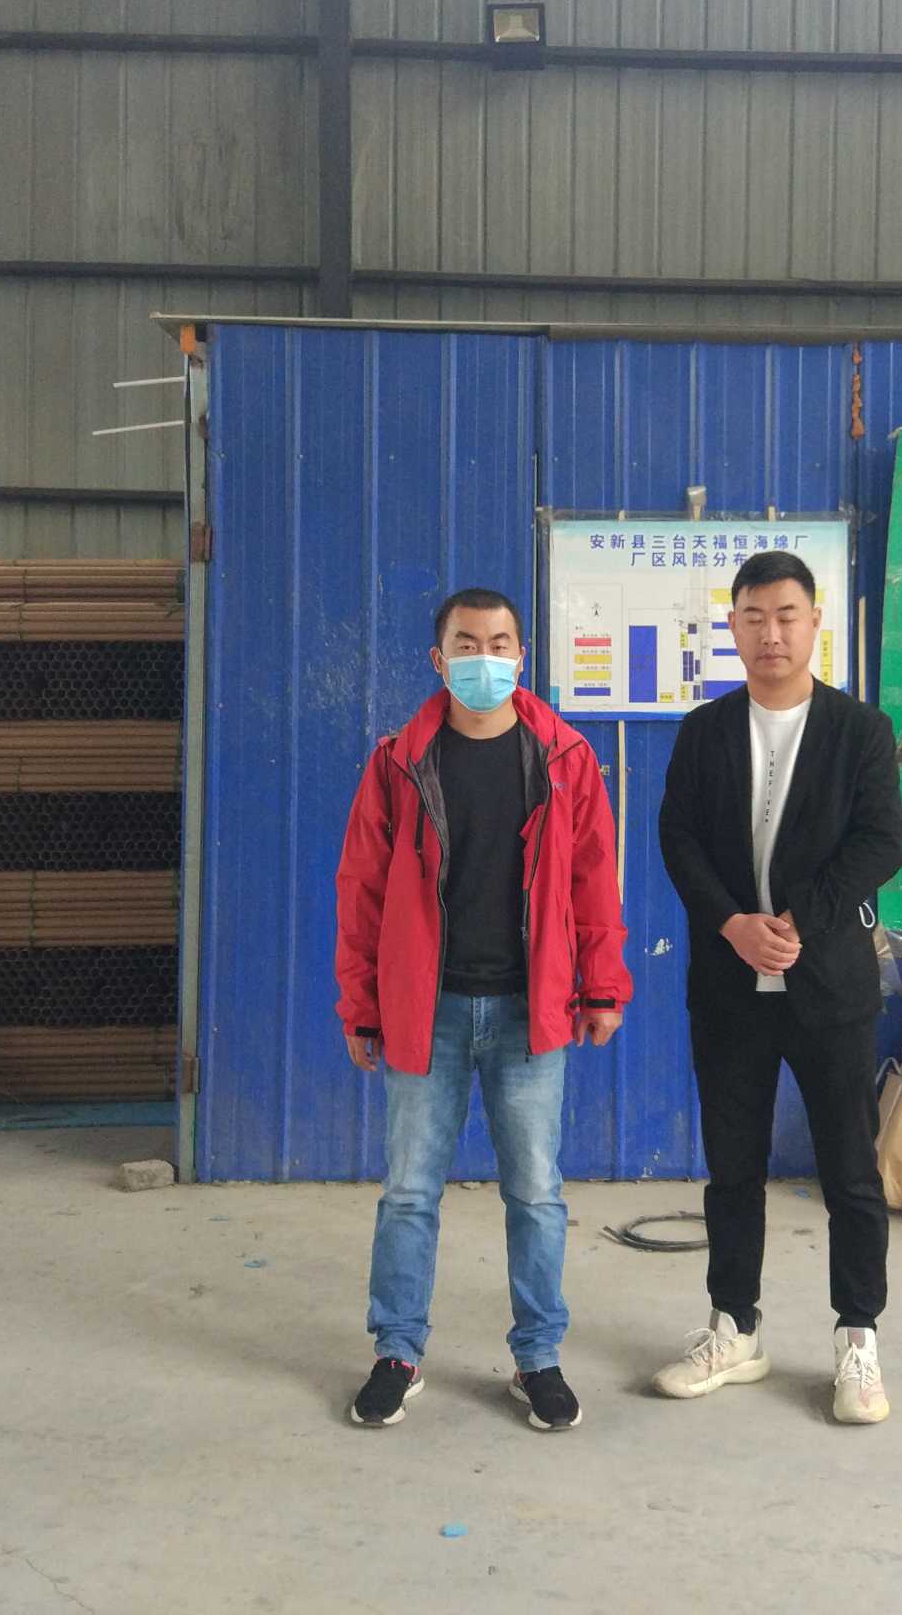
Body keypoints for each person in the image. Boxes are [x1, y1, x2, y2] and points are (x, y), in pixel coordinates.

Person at [334, 587, 632, 1432]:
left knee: (535, 1192)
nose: (485, 658)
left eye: (500, 643)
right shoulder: (399, 762)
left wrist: (603, 986)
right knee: (407, 1192)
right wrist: (362, 1004)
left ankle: (538, 1357)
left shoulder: (563, 758)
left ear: (522, 656)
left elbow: (594, 879)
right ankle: (397, 1352)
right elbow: (360, 889)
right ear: (439, 660)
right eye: (467, 644)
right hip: (422, 1010)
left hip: (530, 1012)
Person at [652, 549, 902, 1424]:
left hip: (828, 984)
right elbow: (678, 839)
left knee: (850, 1172)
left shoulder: (858, 730)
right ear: (733, 627)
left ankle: (858, 1339)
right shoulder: (705, 731)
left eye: (787, 615)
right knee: (733, 1168)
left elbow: (881, 842)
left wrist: (801, 920)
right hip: (728, 986)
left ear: (814, 623)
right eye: (754, 617)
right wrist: (733, 925)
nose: (772, 633)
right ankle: (735, 1327)